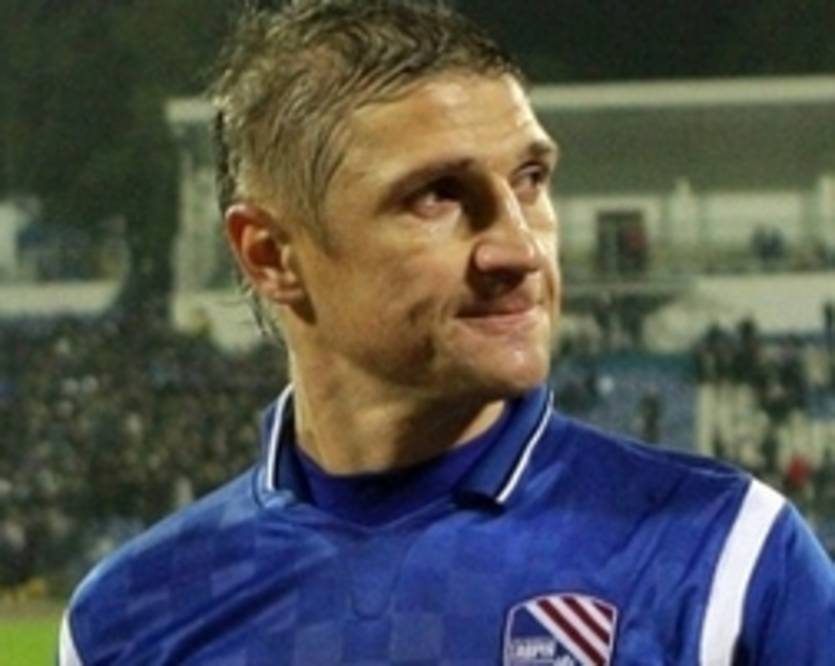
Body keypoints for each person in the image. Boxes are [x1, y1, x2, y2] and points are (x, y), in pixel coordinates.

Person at [59, 1, 835, 664]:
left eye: (529, 181)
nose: (519, 249)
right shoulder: (127, 622)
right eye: (437, 196)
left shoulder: (723, 558)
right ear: (271, 256)